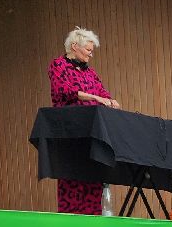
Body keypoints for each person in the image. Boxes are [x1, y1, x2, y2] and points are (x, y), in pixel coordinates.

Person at [48, 27, 119, 214]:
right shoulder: (58, 65)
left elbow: (102, 92)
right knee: (71, 180)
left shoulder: (90, 73)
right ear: (74, 46)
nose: (91, 54)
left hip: (91, 133)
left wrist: (110, 101)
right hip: (70, 133)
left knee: (92, 178)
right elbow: (64, 91)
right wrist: (95, 98)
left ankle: (93, 224)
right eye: (88, 50)